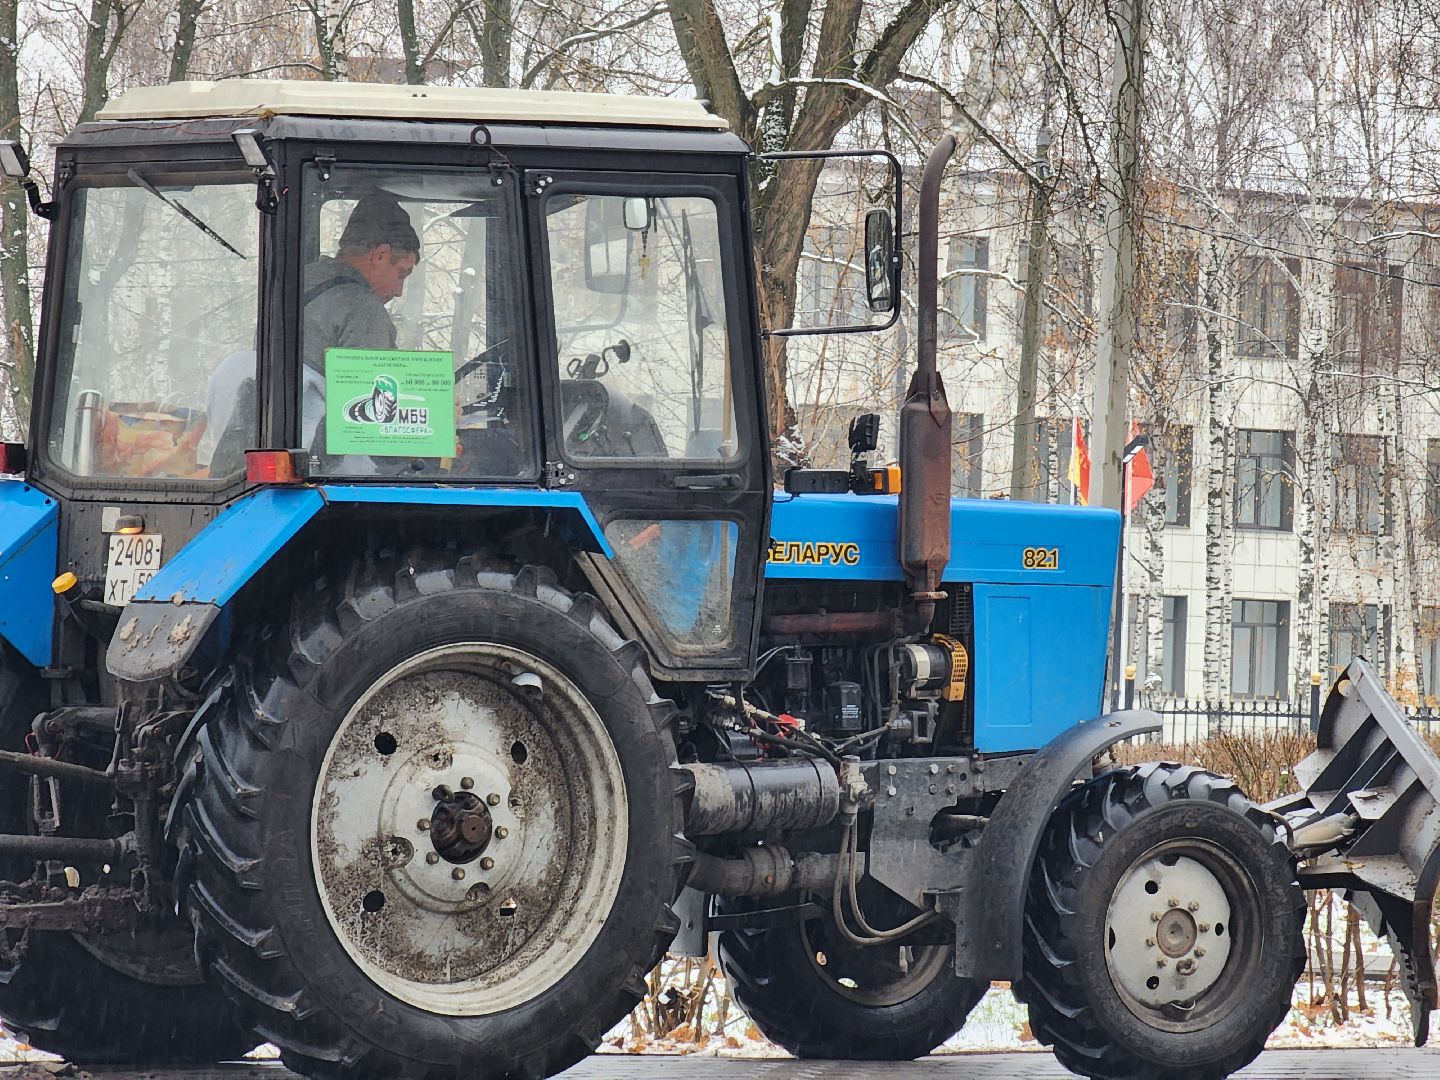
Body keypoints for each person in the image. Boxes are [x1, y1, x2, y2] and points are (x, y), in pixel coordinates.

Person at [301, 194, 421, 449]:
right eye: (401, 274)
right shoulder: (362, 309)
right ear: (381, 255)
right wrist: (439, 412)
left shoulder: (299, 284)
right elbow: (378, 420)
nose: (399, 291)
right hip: (330, 460)